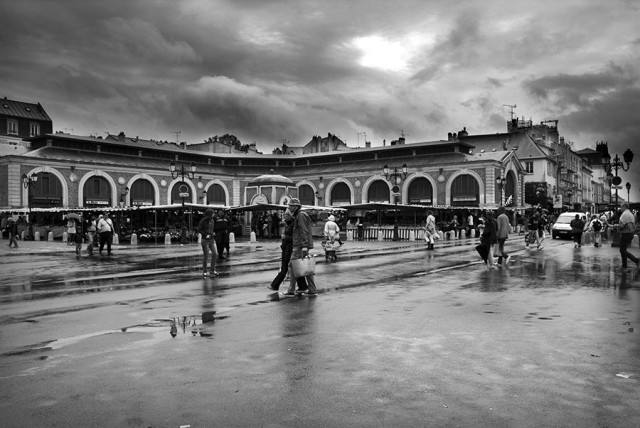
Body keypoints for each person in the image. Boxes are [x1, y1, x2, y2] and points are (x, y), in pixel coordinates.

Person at [267, 209, 307, 292]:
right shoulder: (289, 224)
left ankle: (275, 285)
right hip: (286, 248)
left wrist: (286, 238)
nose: (283, 216)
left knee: (285, 267)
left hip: (289, 249)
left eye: (285, 214)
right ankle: (302, 286)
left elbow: (296, 237)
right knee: (295, 267)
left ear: (289, 215)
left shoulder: (293, 225)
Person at [286, 198, 318, 296]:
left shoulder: (300, 215)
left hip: (299, 245)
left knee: (292, 266)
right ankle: (312, 289)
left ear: (295, 206)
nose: (288, 207)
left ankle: (291, 290)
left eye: (290, 205)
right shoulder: (299, 215)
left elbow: (304, 231)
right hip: (300, 245)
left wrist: (304, 246)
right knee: (305, 266)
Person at [617, 202, 639, 269]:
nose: (620, 208)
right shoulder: (631, 214)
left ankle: (636, 260)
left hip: (625, 234)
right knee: (623, 250)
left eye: (621, 207)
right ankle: (624, 265)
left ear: (624, 207)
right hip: (631, 234)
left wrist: (616, 226)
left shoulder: (624, 215)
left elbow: (621, 226)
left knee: (622, 250)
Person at [197, 208, 219, 277]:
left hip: (212, 239)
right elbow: (199, 229)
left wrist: (213, 233)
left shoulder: (212, 220)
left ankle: (212, 270)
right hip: (205, 240)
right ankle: (205, 271)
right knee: (206, 256)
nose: (214, 214)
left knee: (215, 254)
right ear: (209, 214)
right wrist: (205, 235)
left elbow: (212, 229)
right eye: (212, 213)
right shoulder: (203, 221)